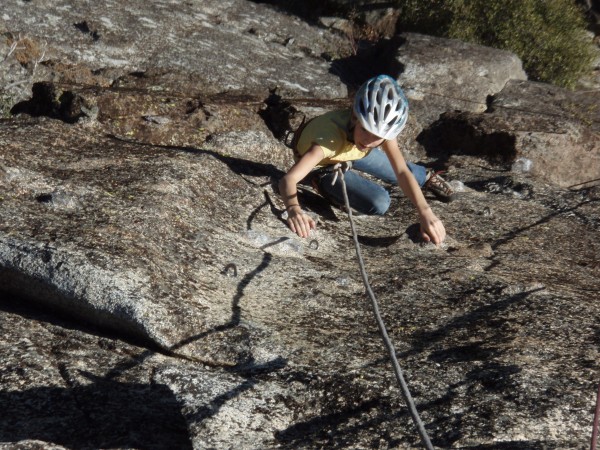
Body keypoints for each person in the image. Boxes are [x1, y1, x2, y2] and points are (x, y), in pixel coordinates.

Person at [278, 75, 453, 245]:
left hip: (354, 152)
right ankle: (321, 183)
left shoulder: (377, 133)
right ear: (354, 117)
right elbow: (289, 179)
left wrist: (425, 212)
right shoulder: (327, 142)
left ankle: (426, 176)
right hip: (326, 164)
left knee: (411, 176)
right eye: (365, 130)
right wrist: (293, 208)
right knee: (379, 203)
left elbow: (401, 171)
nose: (370, 140)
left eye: (378, 136)